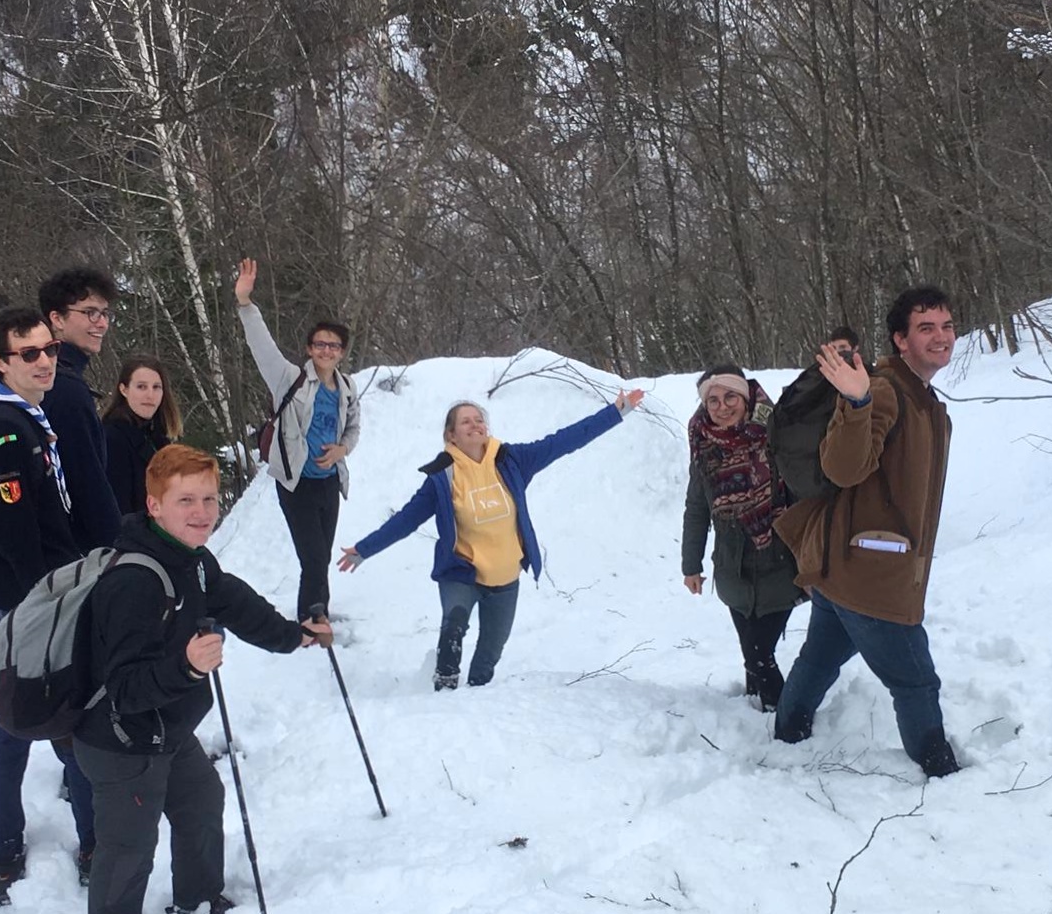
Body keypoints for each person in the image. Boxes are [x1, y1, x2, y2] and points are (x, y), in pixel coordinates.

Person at [74, 444, 333, 914]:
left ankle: (197, 899)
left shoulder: (191, 559)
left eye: (210, 499)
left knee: (200, 801)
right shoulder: (134, 580)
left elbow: (233, 601)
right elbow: (124, 689)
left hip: (167, 727)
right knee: (127, 848)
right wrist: (187, 667)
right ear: (154, 505)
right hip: (120, 740)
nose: (202, 512)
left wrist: (294, 636)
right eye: (186, 500)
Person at [773, 286, 960, 778]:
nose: (941, 337)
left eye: (946, 326)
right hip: (871, 573)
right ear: (900, 339)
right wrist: (856, 402)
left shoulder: (921, 396)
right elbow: (843, 468)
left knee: (819, 658)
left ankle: (787, 731)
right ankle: (940, 771)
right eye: (925, 328)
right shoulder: (884, 390)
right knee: (915, 680)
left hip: (844, 565)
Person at [338, 390, 644, 691]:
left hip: (505, 578)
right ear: (451, 435)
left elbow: (564, 441)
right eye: (465, 421)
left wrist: (616, 412)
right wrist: (364, 550)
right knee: (454, 625)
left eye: (479, 420)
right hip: (462, 573)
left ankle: (477, 699)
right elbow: (406, 520)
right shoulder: (442, 477)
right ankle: (443, 689)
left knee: (489, 655)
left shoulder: (512, 460)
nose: (475, 425)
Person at [0, 307, 95, 903]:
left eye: (50, 350)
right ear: (1, 361)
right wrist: (48, 612)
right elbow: (16, 535)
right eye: (29, 354)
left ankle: (20, 846)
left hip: (37, 595)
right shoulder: (2, 432)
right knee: (49, 719)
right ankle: (19, 850)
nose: (45, 361)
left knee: (21, 722)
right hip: (26, 605)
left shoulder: (27, 417)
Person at [235, 257, 360, 620]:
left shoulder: (347, 387)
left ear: (341, 352)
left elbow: (353, 428)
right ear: (309, 349)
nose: (326, 350)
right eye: (320, 344)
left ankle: (319, 613)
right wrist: (245, 303)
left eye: (333, 346)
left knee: (320, 555)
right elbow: (262, 346)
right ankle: (311, 620)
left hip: (329, 482)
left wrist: (342, 449)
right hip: (297, 484)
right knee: (314, 557)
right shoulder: (289, 378)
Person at [682, 365, 803, 711]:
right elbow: (696, 508)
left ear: (746, 397)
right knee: (750, 648)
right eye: (714, 400)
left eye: (730, 397)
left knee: (758, 652)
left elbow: (803, 499)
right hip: (732, 567)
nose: (722, 407)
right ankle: (754, 707)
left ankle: (786, 719)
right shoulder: (704, 449)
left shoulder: (777, 437)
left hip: (779, 562)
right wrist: (691, 564)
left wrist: (813, 560)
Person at [39, 267, 123, 548]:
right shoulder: (64, 389)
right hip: (64, 555)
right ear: (57, 319)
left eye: (105, 313)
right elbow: (88, 484)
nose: (102, 323)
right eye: (90, 313)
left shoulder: (40, 378)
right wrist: (117, 550)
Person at [102, 353, 183, 513]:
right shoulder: (112, 438)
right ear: (124, 390)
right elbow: (119, 507)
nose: (150, 395)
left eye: (156, 387)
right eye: (141, 387)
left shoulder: (159, 436)